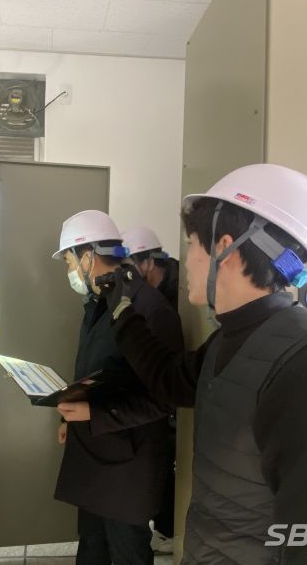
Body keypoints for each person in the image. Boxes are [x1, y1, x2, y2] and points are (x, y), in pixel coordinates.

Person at [102, 164, 307, 564]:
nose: (185, 260)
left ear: (224, 247)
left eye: (192, 243)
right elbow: (171, 380)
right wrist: (123, 313)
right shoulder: (234, 338)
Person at [51, 210, 184, 565]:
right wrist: (71, 414)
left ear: (88, 256)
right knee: (92, 549)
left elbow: (163, 399)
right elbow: (97, 368)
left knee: (127, 553)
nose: (68, 270)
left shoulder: (150, 310)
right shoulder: (101, 299)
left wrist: (93, 413)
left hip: (129, 467)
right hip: (95, 453)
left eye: (68, 261)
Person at [122, 226, 181, 551]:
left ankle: (169, 530)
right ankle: (165, 528)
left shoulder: (177, 294)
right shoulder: (146, 293)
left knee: (168, 460)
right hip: (162, 392)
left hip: (176, 393)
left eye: (129, 264)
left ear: (147, 262)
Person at [122, 226, 179, 309]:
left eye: (126, 266)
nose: (124, 273)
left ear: (148, 263)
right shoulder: (144, 294)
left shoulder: (182, 293)